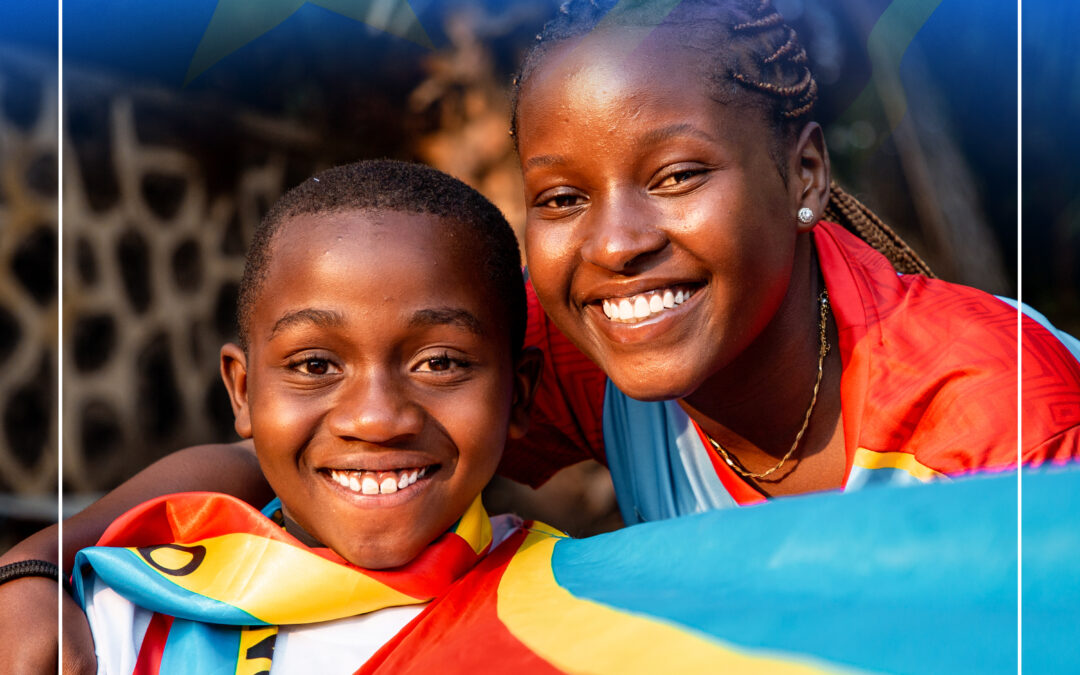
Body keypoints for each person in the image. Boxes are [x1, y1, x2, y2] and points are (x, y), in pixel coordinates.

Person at [4, 0, 1080, 668]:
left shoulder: (996, 414)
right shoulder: (588, 349)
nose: (615, 244)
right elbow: (312, 452)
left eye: (677, 176)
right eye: (562, 197)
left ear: (803, 173)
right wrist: (35, 566)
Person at [69, 159, 544, 672]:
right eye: (315, 365)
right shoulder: (110, 628)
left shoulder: (577, 610)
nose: (375, 420)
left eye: (439, 363)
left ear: (518, 395)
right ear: (243, 392)